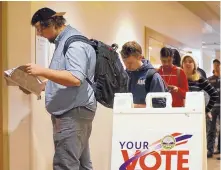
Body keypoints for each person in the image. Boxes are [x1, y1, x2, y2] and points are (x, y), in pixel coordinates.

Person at [21, 7, 97, 170]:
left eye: (39, 29)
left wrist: (41, 70)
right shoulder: (64, 42)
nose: (39, 34)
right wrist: (40, 86)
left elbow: (75, 78)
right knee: (82, 164)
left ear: (52, 24)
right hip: (75, 111)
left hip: (72, 112)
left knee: (65, 164)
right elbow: (66, 75)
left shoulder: (74, 43)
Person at [181, 55, 219, 158]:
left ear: (194, 65)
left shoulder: (199, 79)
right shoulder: (179, 78)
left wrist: (205, 110)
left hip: (195, 118)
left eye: (190, 61)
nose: (188, 64)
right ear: (182, 65)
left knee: (195, 143)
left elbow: (214, 94)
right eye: (185, 62)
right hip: (180, 117)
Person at [120, 41, 166, 108]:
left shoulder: (153, 76)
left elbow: (160, 105)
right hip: (126, 117)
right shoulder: (124, 75)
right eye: (125, 63)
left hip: (147, 118)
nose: (127, 66)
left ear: (140, 57)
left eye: (130, 63)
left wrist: (135, 106)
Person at [207, 59, 220, 158]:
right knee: (211, 129)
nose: (217, 67)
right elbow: (207, 94)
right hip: (212, 107)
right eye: (215, 65)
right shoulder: (209, 79)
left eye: (218, 65)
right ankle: (210, 150)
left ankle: (219, 149)